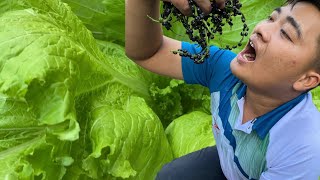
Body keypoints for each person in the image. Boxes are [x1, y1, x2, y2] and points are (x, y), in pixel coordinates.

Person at [125, 0, 320, 179]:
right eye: (271, 18)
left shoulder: (302, 147)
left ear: (306, 79)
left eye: (285, 33)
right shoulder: (224, 70)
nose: (262, 29)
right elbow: (148, 53)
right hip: (230, 165)